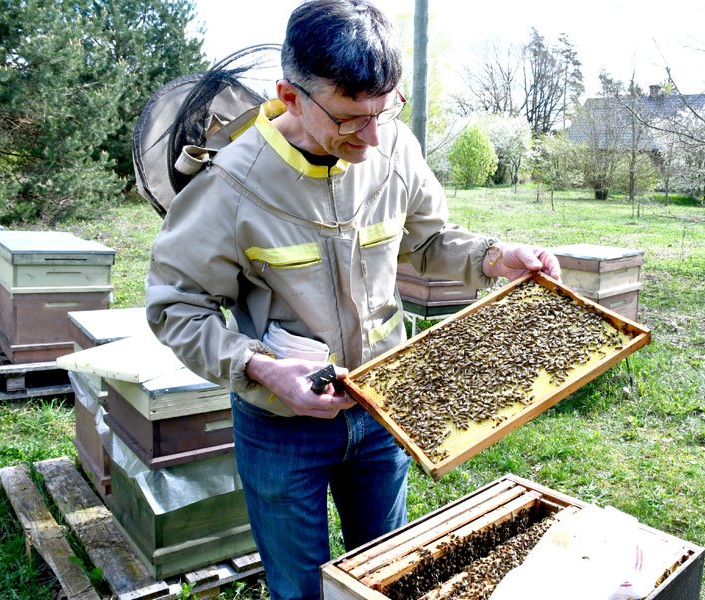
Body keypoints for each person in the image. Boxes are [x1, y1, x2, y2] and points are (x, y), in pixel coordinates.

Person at [145, 1, 561, 598]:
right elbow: (175, 308)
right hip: (282, 427)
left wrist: (497, 256)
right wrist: (261, 368)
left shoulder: (392, 145)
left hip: (384, 409)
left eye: (383, 111)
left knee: (387, 578)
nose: (370, 136)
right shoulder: (229, 185)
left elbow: (428, 240)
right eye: (349, 119)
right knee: (301, 589)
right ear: (291, 97)